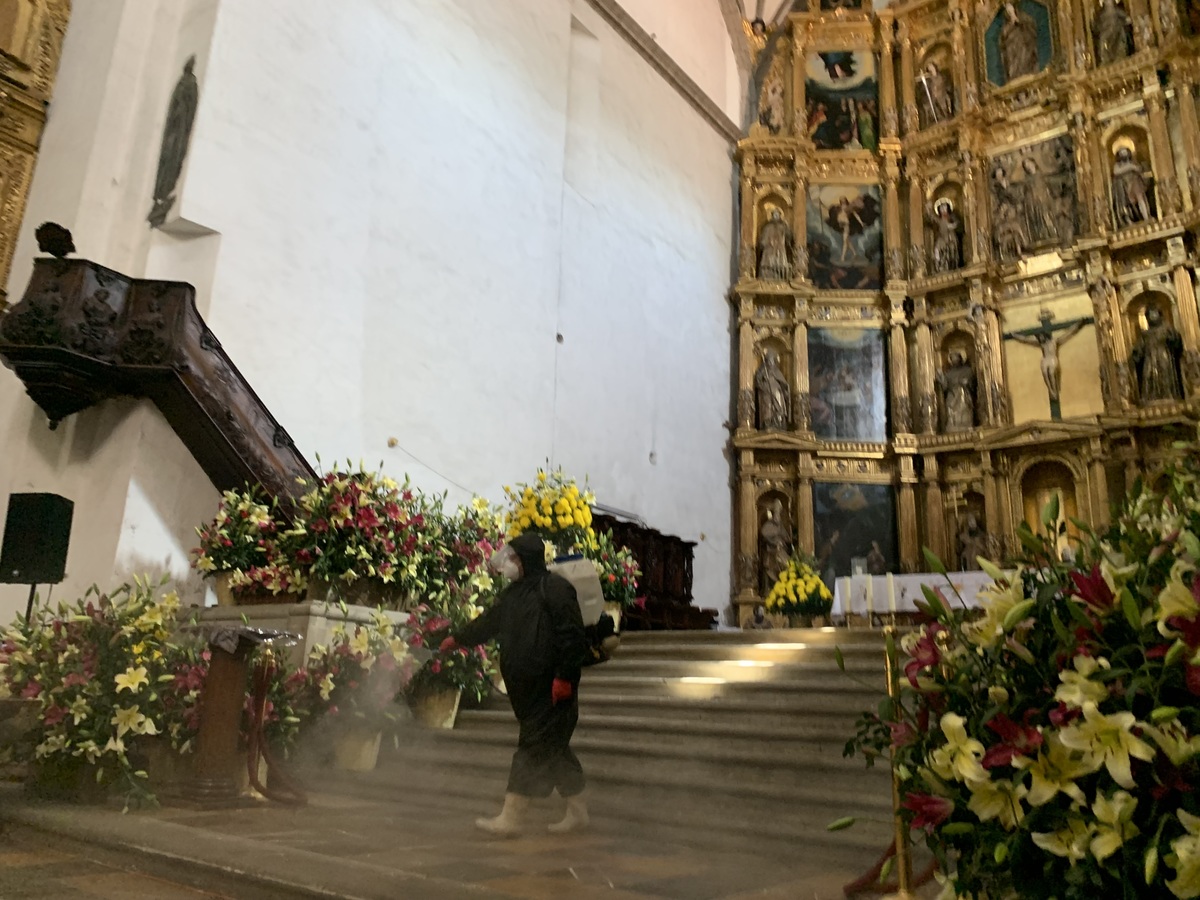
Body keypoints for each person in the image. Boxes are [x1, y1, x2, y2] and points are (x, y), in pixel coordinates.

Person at [440, 533, 590, 835]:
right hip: (526, 690)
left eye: (513, 558)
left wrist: (565, 677)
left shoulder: (556, 588)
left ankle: (511, 818)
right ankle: (579, 813)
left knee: (531, 749)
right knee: (555, 750)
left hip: (551, 688)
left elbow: (572, 637)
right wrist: (457, 639)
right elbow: (488, 623)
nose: (508, 563)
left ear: (526, 560)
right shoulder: (513, 594)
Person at [999, 1, 1040, 83]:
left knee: (1024, 62)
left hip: (1024, 48)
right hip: (1012, 52)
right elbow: (1003, 41)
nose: (1009, 12)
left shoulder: (1025, 19)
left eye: (1010, 10)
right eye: (1007, 11)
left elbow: (1032, 30)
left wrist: (1018, 20)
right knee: (1014, 69)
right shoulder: (1006, 28)